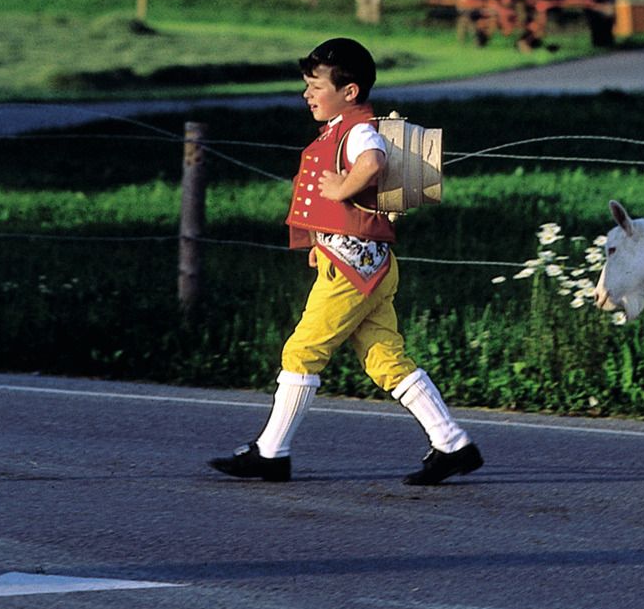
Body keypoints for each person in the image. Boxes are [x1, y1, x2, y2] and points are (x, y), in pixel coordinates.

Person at [207, 37, 484, 487]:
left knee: (302, 351)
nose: (307, 94)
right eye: (307, 86)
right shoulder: (341, 129)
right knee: (384, 357)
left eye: (316, 86)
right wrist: (321, 238)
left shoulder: (357, 131)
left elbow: (372, 162)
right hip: (368, 263)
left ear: (349, 91)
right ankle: (452, 444)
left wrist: (342, 188)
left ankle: (272, 453)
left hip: (351, 269)